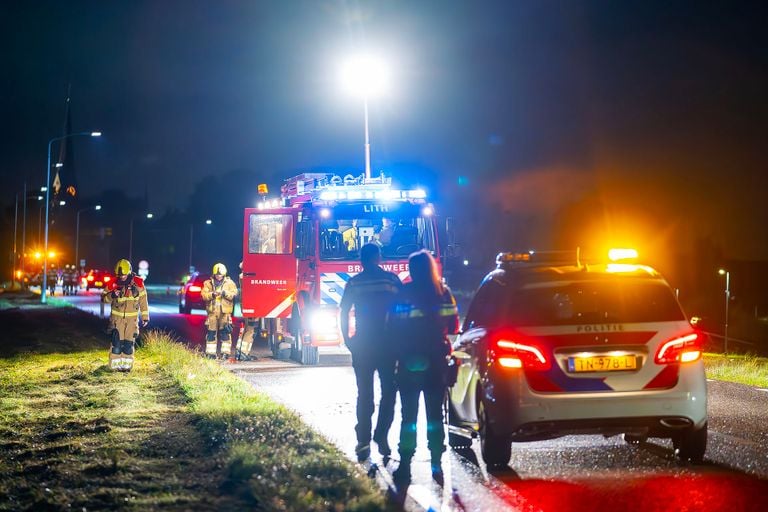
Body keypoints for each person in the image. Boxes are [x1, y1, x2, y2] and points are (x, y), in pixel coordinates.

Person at [389, 250, 459, 485]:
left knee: (408, 416)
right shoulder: (443, 293)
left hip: (408, 361)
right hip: (436, 361)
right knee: (435, 415)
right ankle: (436, 462)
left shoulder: (404, 292)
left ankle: (405, 463)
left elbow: (392, 327)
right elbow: (453, 325)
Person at [339, 243, 403, 462]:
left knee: (364, 393)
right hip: (389, 345)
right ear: (378, 258)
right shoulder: (392, 281)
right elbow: (403, 309)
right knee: (389, 391)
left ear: (361, 260)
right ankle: (381, 436)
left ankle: (363, 439)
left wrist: (348, 339)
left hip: (363, 344)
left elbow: (344, 311)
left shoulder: (354, 283)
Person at [102, 259, 150, 372]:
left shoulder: (138, 284)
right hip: (116, 321)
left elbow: (143, 301)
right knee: (117, 345)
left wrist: (145, 317)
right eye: (119, 275)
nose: (121, 277)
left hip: (132, 321)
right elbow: (103, 298)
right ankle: (114, 368)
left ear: (129, 272)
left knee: (128, 345)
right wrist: (111, 295)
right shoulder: (113, 283)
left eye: (123, 274)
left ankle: (127, 367)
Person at [201, 263, 239, 359]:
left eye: (220, 274)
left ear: (224, 274)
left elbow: (234, 294)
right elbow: (204, 295)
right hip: (212, 313)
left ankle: (225, 353)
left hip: (225, 313)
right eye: (217, 275)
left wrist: (224, 293)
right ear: (214, 274)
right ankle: (210, 353)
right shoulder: (208, 283)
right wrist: (212, 294)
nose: (218, 276)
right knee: (211, 334)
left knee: (225, 333)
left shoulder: (230, 283)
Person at [237, 261, 258, 360]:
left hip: (247, 306)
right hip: (250, 306)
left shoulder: (242, 276)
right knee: (250, 329)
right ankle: (244, 353)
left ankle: (240, 352)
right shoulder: (246, 277)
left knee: (246, 329)